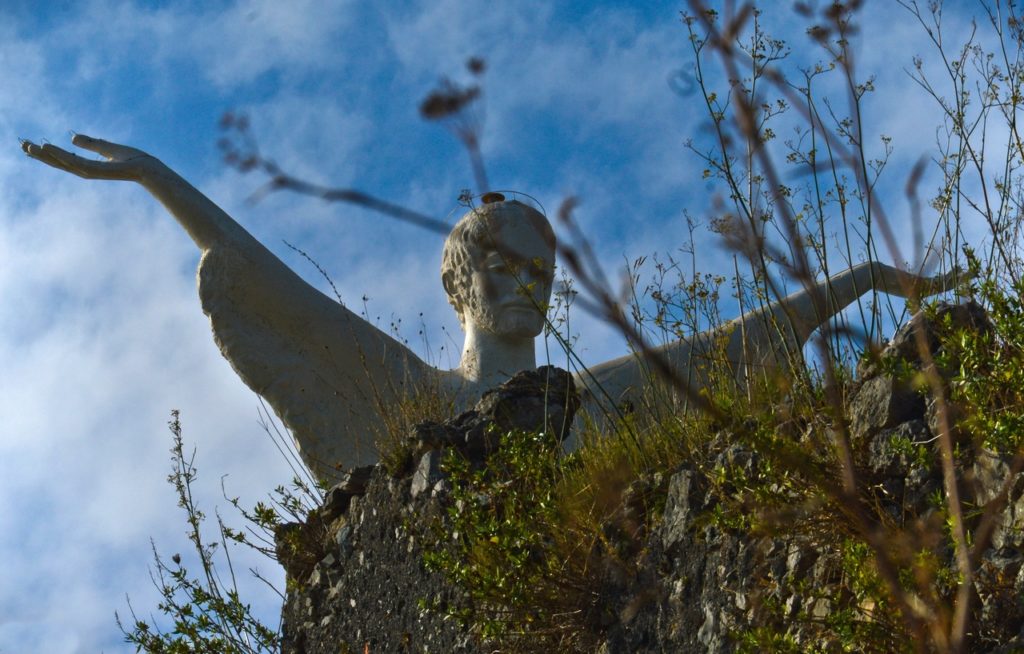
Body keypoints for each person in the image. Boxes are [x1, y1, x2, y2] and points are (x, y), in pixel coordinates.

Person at [21, 135, 965, 481]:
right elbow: (268, 281)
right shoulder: (404, 397)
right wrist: (153, 175)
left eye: (544, 279)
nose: (528, 290)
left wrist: (869, 281)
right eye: (507, 269)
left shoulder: (593, 398)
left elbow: (741, 343)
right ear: (460, 284)